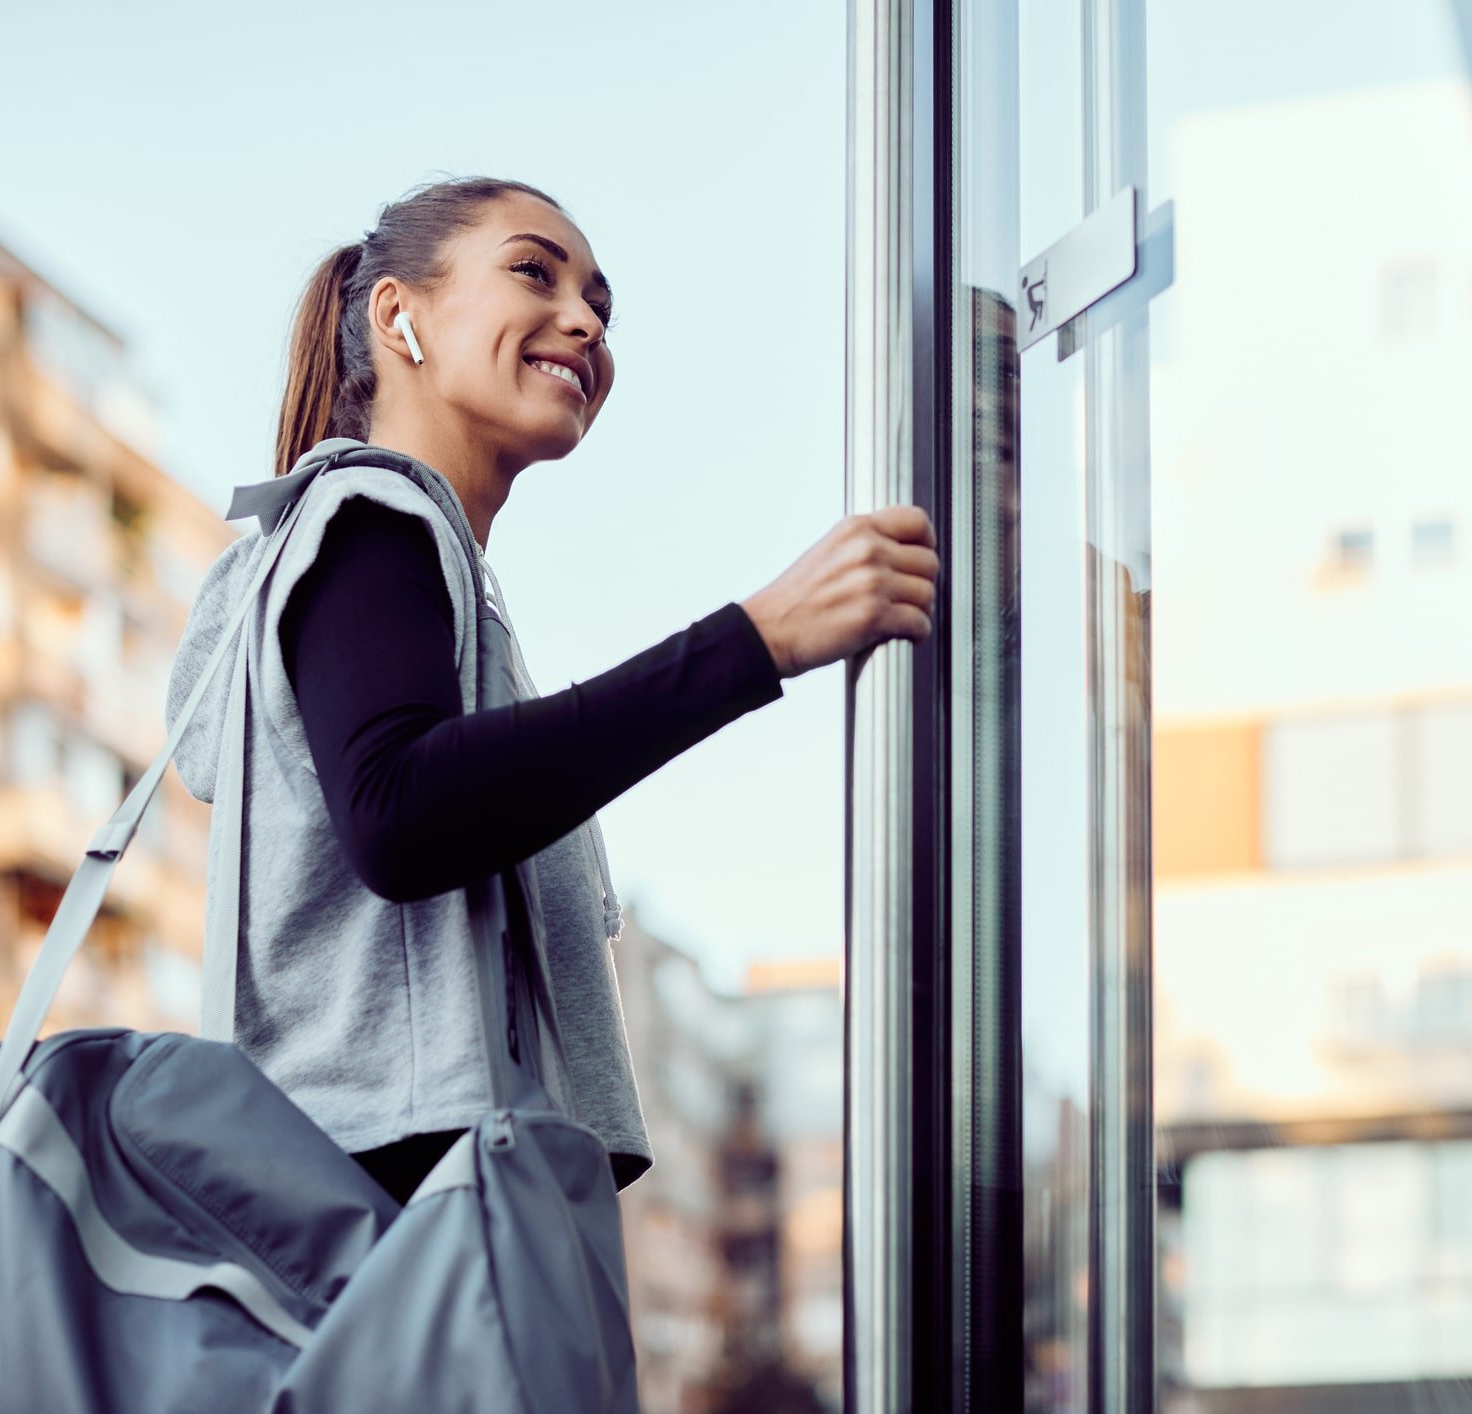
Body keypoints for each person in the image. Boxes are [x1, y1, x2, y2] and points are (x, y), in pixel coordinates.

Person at [163, 176, 938, 1204]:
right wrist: (758, 640)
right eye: (535, 271)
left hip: (414, 1207)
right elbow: (402, 814)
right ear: (401, 316)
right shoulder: (367, 517)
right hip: (399, 1222)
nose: (583, 321)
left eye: (601, 306)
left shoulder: (427, 572)